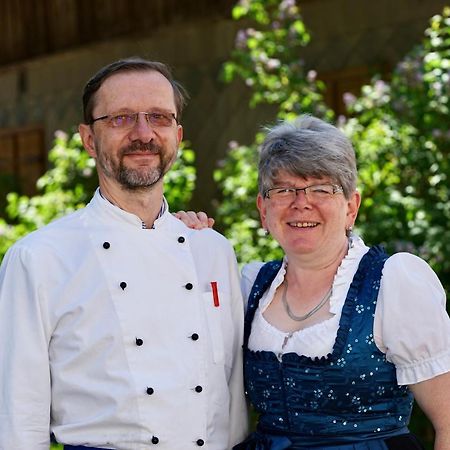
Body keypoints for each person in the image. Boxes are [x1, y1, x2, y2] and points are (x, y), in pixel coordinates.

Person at [0, 57, 248, 450]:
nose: (143, 133)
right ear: (88, 139)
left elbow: (233, 393)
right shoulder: (39, 259)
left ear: (178, 135)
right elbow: (18, 418)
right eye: (121, 119)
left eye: (159, 117)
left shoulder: (213, 249)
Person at [178, 115, 450, 450]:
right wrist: (184, 239)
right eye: (283, 189)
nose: (301, 202)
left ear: (351, 207)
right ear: (263, 210)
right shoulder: (250, 285)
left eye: (321, 188)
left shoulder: (394, 283)